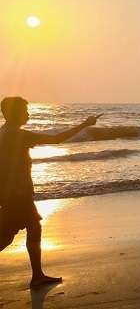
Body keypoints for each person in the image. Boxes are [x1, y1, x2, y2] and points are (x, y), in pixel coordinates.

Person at [0, 97, 101, 289]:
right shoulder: (16, 135)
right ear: (14, 113)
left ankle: (37, 275)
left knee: (10, 235)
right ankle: (37, 276)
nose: (28, 114)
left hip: (11, 194)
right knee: (24, 230)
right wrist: (85, 123)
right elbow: (56, 139)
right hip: (17, 195)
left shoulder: (4, 133)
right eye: (24, 110)